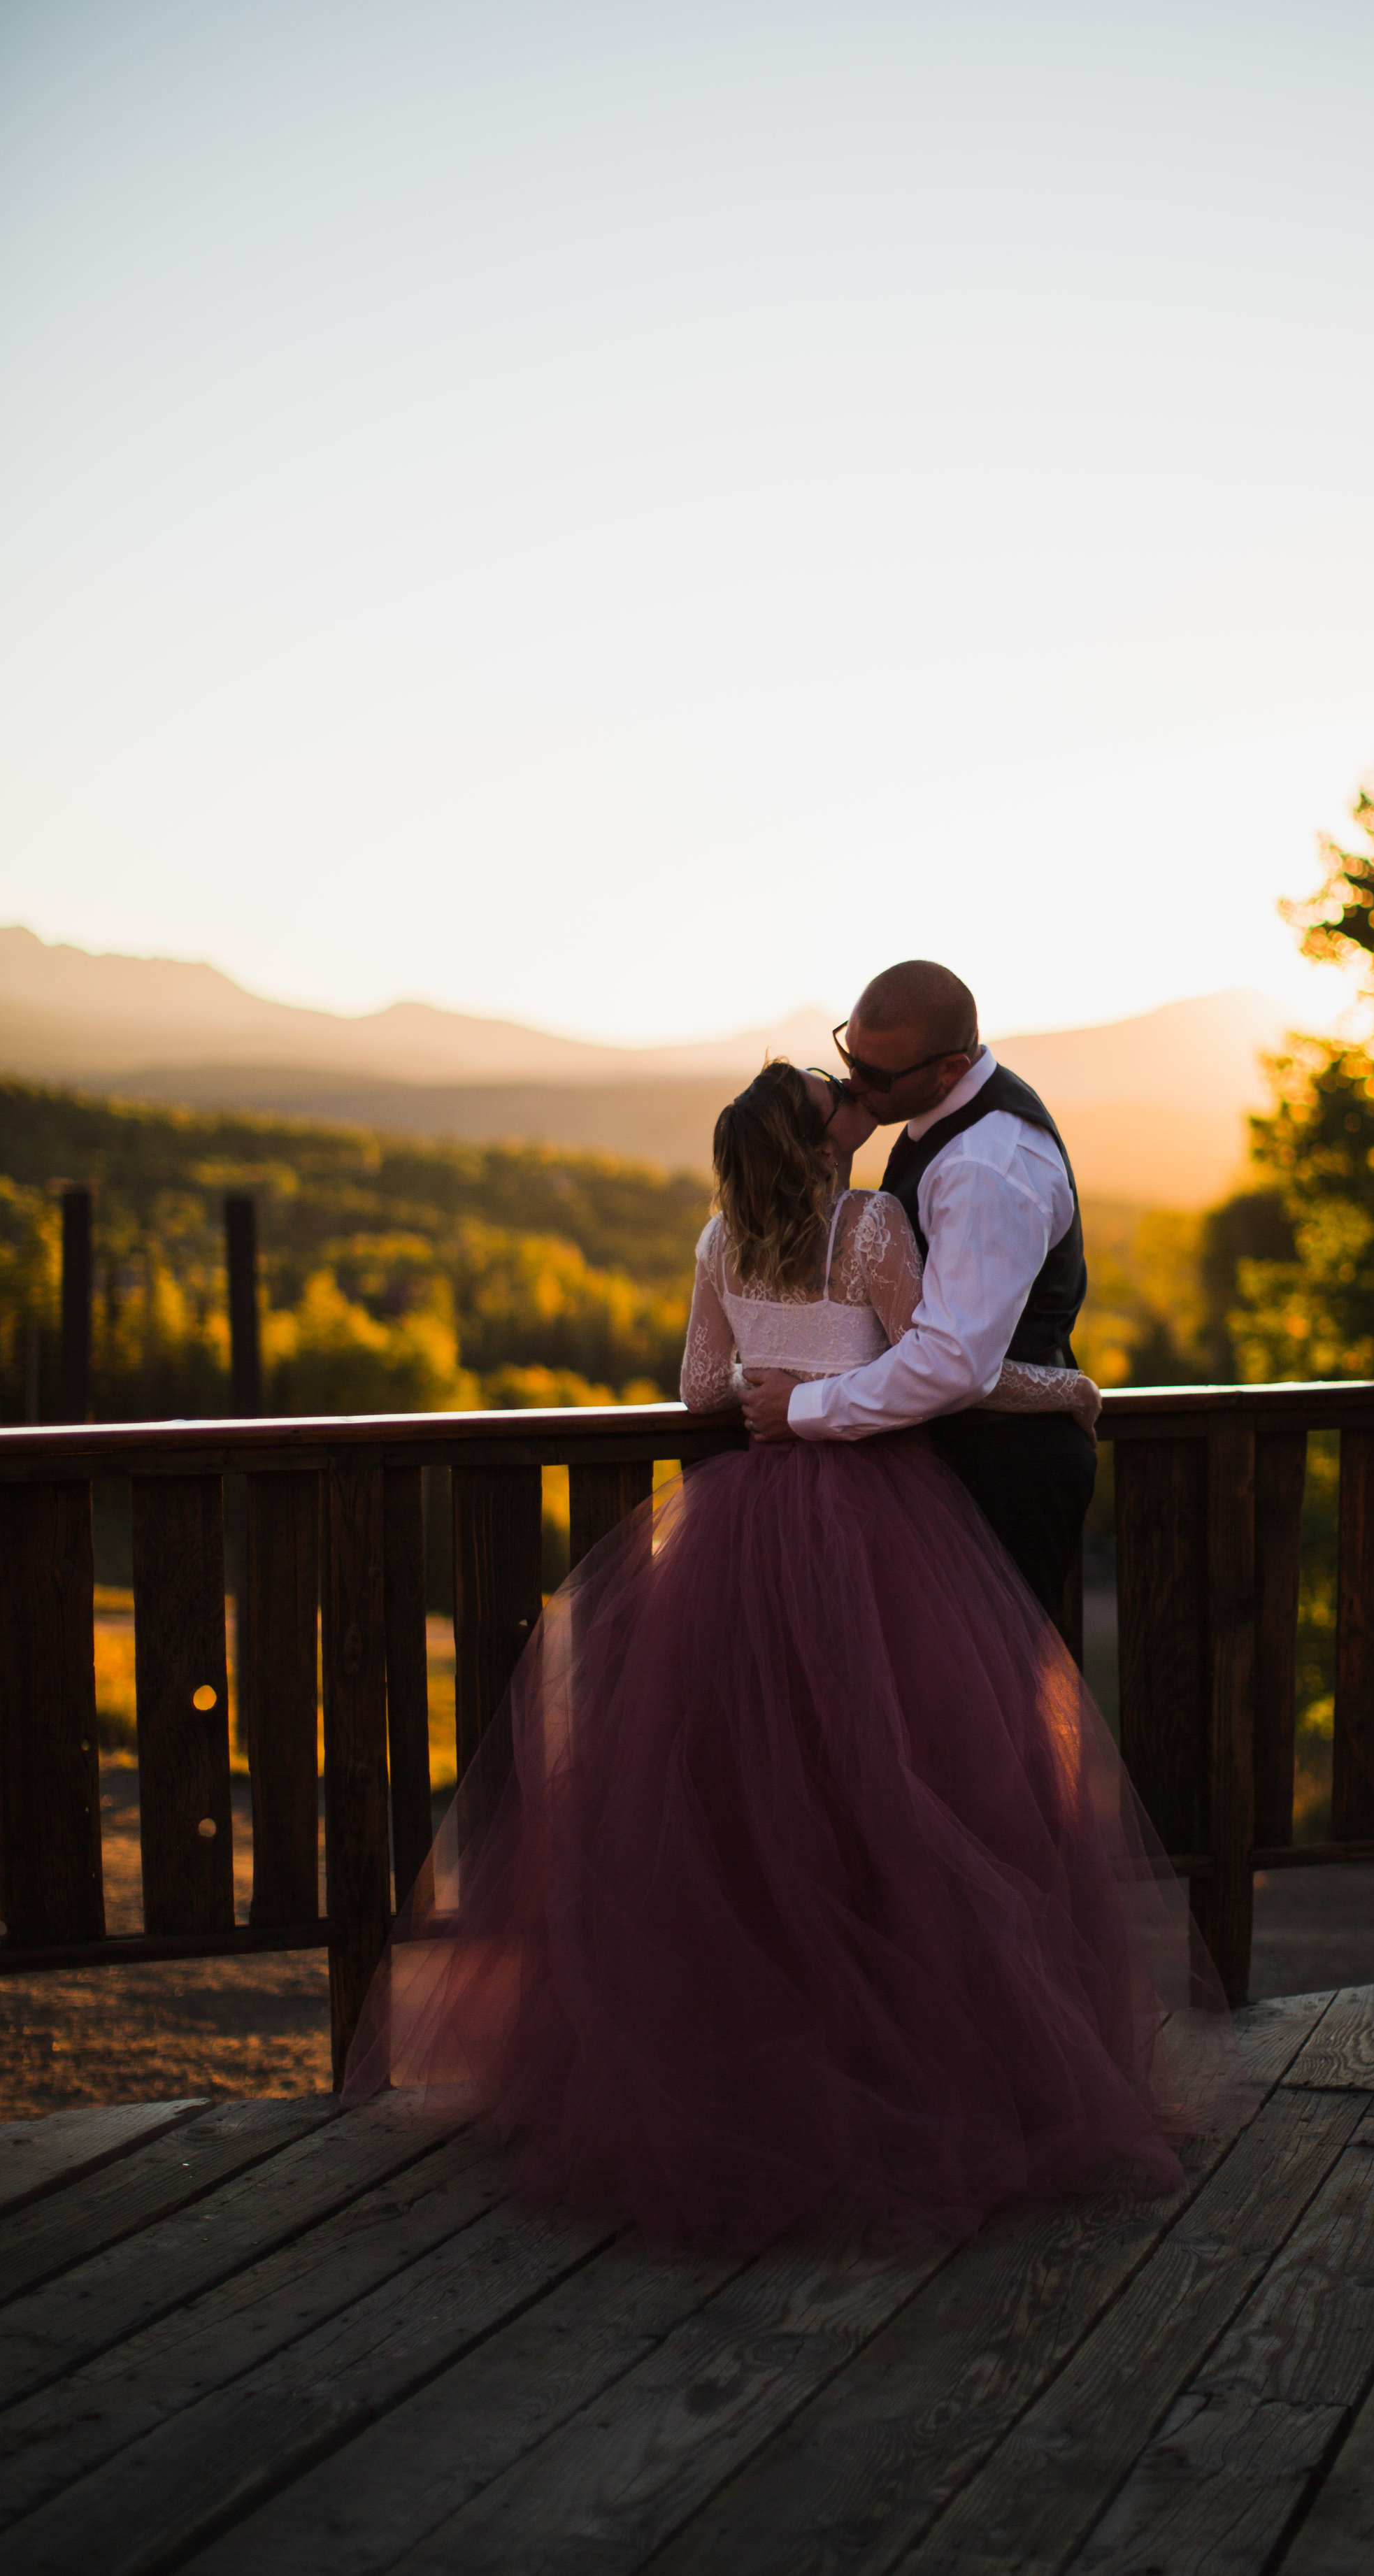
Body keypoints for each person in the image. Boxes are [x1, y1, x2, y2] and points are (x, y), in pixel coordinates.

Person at [344, 1056, 1246, 2253]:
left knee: (753, 1811)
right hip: (878, 1525)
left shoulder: (722, 1242)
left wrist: (781, 1384)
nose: (852, 1101)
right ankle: (918, 2074)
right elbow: (947, 1375)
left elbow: (702, 1385)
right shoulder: (870, 1226)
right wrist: (1065, 1388)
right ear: (822, 1146)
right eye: (837, 1100)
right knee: (909, 1796)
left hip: (749, 1533)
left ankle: (761, 2079)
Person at [740, 960, 1095, 1629]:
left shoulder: (983, 1167)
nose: (854, 1084)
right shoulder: (941, 1123)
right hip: (953, 1463)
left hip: (1004, 1472)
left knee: (994, 1704)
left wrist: (803, 1406)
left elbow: (954, 1362)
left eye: (877, 1077)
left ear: (950, 1070)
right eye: (850, 1057)